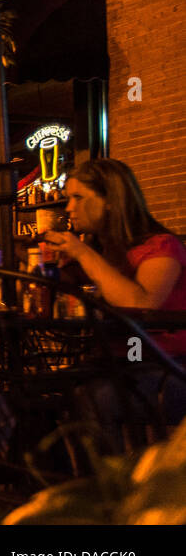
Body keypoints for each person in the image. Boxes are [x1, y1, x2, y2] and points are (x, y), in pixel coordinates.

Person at [43, 158, 186, 425]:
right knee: (38, 393)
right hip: (112, 363)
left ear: (111, 200)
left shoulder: (162, 247)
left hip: (167, 367)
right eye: (67, 199)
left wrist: (82, 252)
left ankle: (115, 466)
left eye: (78, 198)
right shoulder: (101, 253)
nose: (69, 208)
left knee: (94, 398)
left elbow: (141, 304)